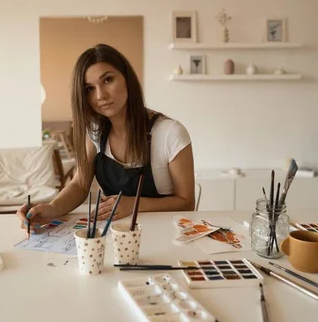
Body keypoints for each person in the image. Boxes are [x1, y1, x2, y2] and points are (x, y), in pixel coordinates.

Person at [18, 44, 195, 231]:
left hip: (164, 236)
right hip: (112, 235)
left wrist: (135, 204)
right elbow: (80, 184)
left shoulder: (170, 132)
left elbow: (187, 203)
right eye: (89, 89)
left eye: (108, 80)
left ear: (127, 78)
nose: (100, 95)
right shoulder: (95, 131)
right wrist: (52, 208)